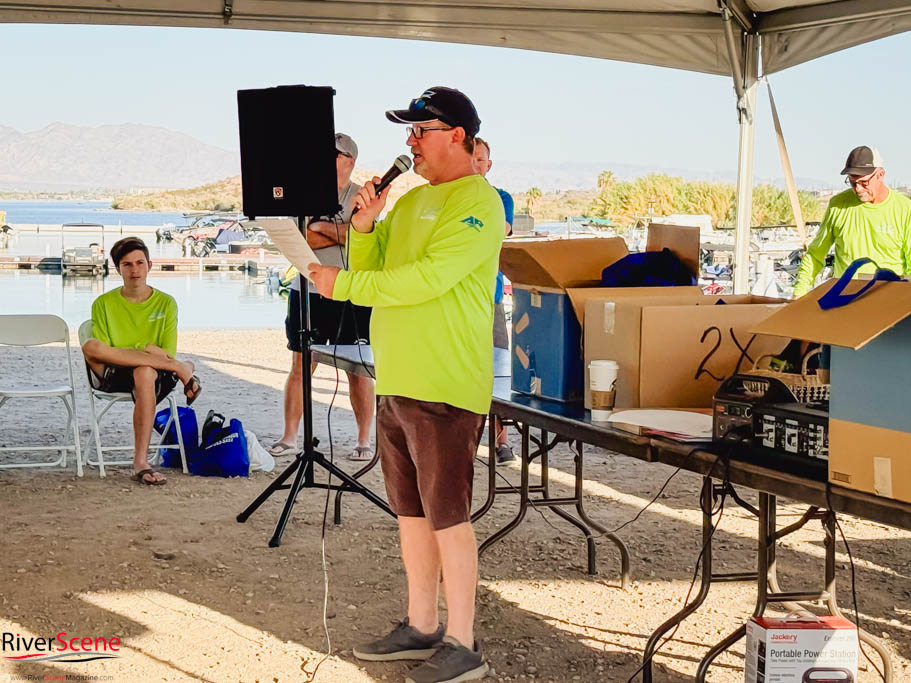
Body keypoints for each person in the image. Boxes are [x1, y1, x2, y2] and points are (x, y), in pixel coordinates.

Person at [308, 86, 504, 683]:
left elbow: (427, 279)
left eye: (422, 129)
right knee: (412, 515)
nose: (411, 141)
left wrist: (339, 287)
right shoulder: (413, 201)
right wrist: (365, 228)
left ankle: (463, 641)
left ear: (460, 138)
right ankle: (421, 624)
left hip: (444, 384)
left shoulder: (479, 202)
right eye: (409, 131)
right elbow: (377, 270)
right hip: (397, 379)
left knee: (449, 516)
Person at [270, 133, 376, 461]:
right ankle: (289, 437)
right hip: (309, 291)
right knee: (302, 363)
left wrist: (325, 229)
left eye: (334, 153)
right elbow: (299, 243)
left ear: (350, 161)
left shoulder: (362, 196)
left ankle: (363, 440)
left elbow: (364, 238)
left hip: (352, 292)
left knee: (358, 369)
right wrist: (341, 233)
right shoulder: (303, 195)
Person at [82, 236, 201, 486]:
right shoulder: (103, 303)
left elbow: (166, 352)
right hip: (116, 373)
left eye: (139, 263)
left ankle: (140, 461)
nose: (134, 270)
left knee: (145, 371)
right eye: (127, 264)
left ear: (149, 264)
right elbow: (104, 350)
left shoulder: (166, 303)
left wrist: (147, 355)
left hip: (157, 375)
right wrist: (146, 348)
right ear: (117, 269)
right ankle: (184, 369)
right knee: (90, 345)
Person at [793, 145, 911, 297]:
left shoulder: (904, 209)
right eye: (852, 182)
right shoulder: (838, 205)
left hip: (888, 301)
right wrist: (798, 294)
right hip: (845, 300)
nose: (858, 189)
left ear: (880, 175)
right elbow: (815, 255)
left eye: (863, 183)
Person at [470, 137, 515, 464]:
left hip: (492, 296)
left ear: (489, 164)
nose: (476, 164)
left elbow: (502, 228)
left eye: (481, 159)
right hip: (457, 301)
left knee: (498, 371)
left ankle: (501, 440)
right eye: (471, 158)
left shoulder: (500, 199)